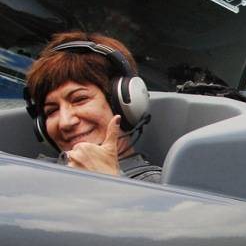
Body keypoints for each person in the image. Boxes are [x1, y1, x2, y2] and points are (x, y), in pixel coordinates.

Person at [24, 31, 161, 182]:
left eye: (79, 99)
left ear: (123, 102)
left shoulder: (162, 190)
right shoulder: (31, 175)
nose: (65, 122)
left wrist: (110, 183)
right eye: (52, 110)